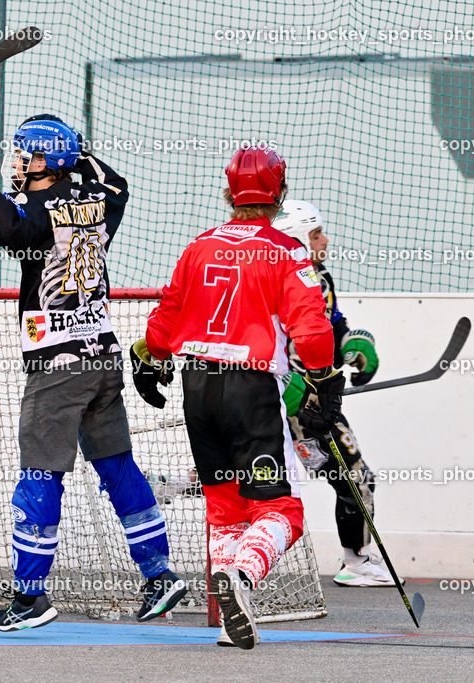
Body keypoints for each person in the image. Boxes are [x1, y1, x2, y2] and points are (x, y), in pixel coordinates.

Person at [0, 114, 188, 632]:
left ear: (44, 160)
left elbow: (6, 228)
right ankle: (159, 574)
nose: (16, 163)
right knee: (117, 466)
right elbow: (115, 184)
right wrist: (70, 154)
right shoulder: (99, 198)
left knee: (40, 474)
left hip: (57, 365)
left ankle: (30, 596)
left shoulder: (38, 209)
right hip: (101, 358)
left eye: (25, 154)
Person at [133, 146, 344, 649]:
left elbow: (167, 314)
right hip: (250, 391)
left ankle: (233, 617)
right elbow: (311, 328)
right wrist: (322, 380)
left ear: (230, 193)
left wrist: (151, 356)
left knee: (225, 507)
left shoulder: (200, 246)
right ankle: (243, 576)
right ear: (279, 194)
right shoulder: (286, 251)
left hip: (197, 386)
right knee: (283, 511)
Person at [272, 200, 392, 587]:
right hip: (302, 405)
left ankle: (357, 558)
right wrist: (289, 384)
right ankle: (356, 563)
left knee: (351, 477)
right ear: (296, 239)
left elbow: (332, 326)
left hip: (309, 398)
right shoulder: (286, 278)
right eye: (316, 234)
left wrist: (355, 343)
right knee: (354, 478)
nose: (324, 240)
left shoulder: (318, 275)